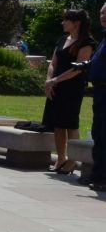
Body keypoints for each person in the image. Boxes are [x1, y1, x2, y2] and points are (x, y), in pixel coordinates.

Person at [42, 9, 94, 173]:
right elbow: (53, 63)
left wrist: (55, 80)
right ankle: (61, 158)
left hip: (72, 88)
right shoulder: (62, 39)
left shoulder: (87, 43)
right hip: (55, 86)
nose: (62, 23)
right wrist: (49, 82)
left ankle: (72, 160)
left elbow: (77, 69)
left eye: (66, 20)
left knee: (70, 124)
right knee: (58, 124)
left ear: (76, 23)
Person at [71, 3, 106, 191]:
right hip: (99, 92)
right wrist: (85, 65)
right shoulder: (104, 37)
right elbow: (97, 61)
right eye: (101, 13)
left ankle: (102, 178)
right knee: (98, 135)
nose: (103, 16)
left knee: (104, 135)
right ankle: (97, 176)